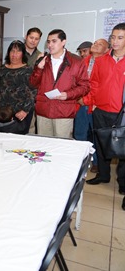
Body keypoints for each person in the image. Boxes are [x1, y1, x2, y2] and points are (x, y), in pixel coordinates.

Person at [82, 23, 125, 197]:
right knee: (101, 145)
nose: (115, 41)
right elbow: (94, 84)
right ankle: (103, 175)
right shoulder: (101, 61)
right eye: (113, 37)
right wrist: (93, 103)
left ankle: (122, 182)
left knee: (122, 150)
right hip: (101, 110)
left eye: (120, 37)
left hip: (121, 114)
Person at [30, 29, 89, 138]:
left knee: (62, 146)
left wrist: (68, 94)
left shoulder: (76, 61)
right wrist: (38, 68)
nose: (50, 45)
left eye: (54, 41)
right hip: (44, 110)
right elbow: (33, 84)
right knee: (44, 146)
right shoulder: (43, 60)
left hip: (64, 111)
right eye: (48, 42)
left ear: (63, 42)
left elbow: (85, 86)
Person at [75, 39, 110, 172]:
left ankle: (96, 161)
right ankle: (80, 160)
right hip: (80, 103)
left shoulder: (107, 63)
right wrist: (78, 97)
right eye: (95, 43)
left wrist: (87, 100)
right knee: (80, 134)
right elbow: (77, 81)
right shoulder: (84, 61)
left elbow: (101, 86)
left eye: (100, 44)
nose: (95, 45)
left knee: (96, 136)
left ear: (107, 50)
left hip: (96, 105)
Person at [0, 40, 36, 134]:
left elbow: (33, 92)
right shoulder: (2, 69)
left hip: (22, 112)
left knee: (20, 140)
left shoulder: (28, 70)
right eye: (12, 51)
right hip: (5, 113)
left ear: (23, 54)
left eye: (18, 51)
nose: (14, 54)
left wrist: (25, 111)